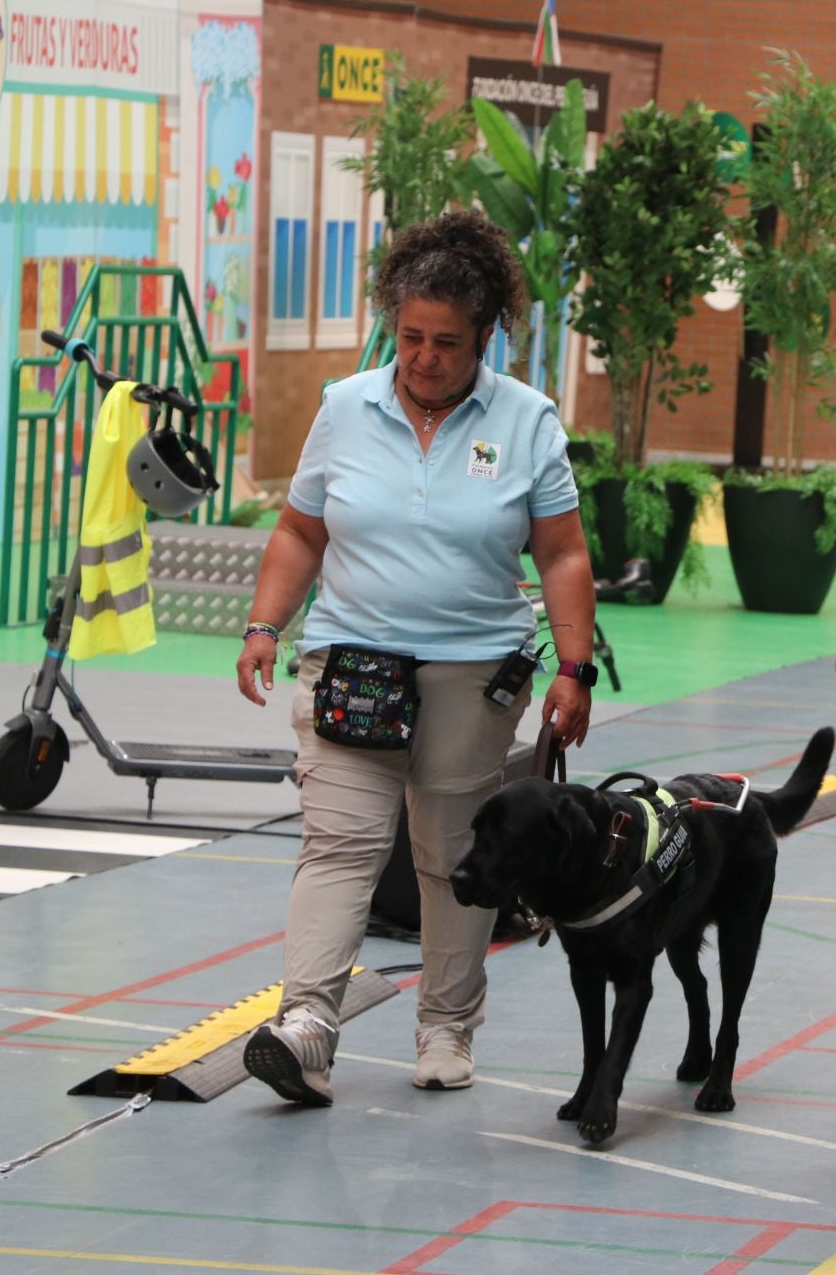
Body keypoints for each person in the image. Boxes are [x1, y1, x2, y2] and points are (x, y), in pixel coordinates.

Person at [234, 210, 600, 1106]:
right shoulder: (343, 408)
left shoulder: (527, 422)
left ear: (485, 338)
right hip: (351, 670)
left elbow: (561, 553)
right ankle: (309, 1026)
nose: (424, 357)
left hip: (475, 679)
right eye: (409, 337)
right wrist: (265, 626)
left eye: (446, 342)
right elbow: (299, 528)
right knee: (339, 846)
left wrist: (573, 666)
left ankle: (446, 1024)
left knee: (449, 859)